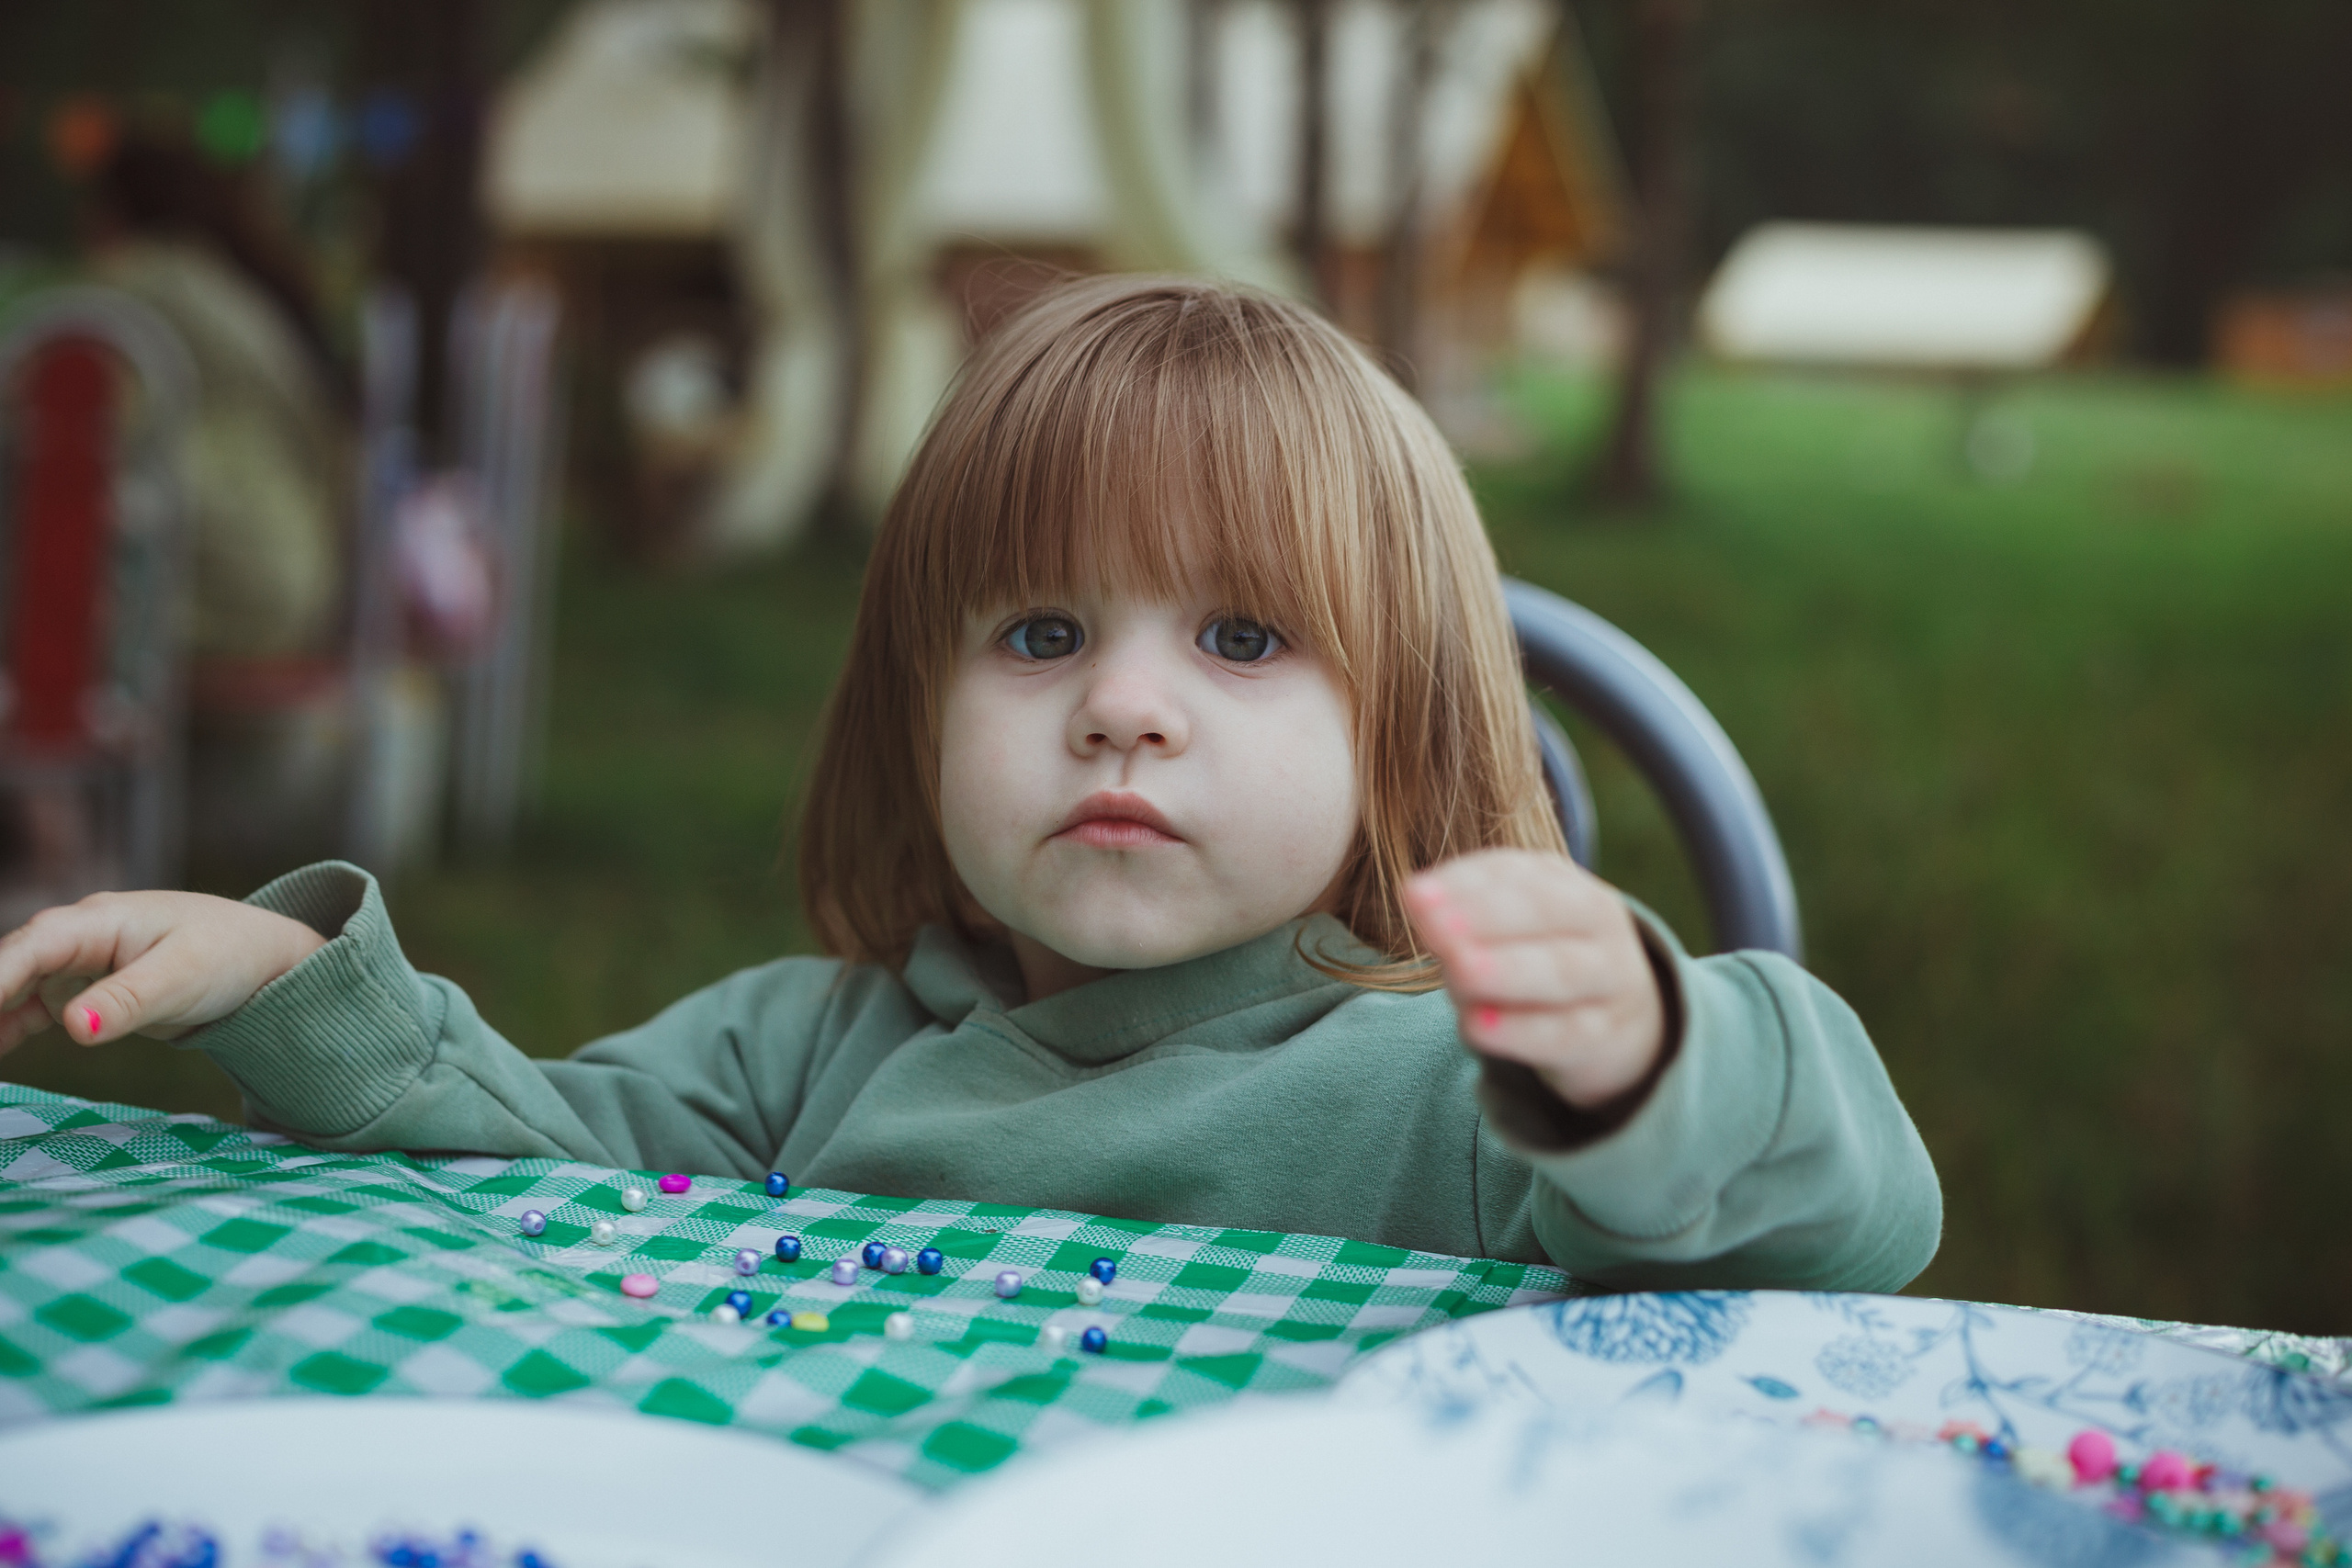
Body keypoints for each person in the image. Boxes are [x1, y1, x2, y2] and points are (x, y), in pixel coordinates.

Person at [0, 278, 1939, 1289]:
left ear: (1402, 728)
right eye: (1039, 634)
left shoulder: (1458, 1090)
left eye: (1239, 638)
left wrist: (1645, 1070)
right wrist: (290, 985)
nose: (1122, 709)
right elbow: (537, 1189)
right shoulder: (804, 1054)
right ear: (910, 712)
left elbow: (1852, 1228)